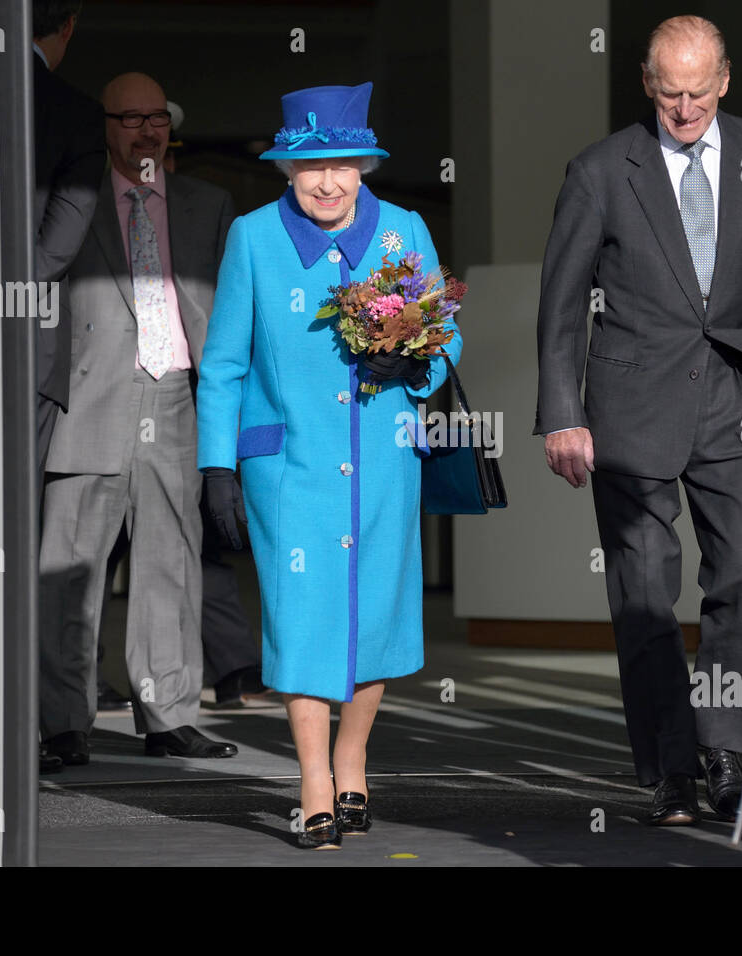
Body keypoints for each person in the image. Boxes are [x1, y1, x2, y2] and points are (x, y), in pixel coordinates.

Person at [535, 16, 742, 826]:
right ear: (648, 86)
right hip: (630, 410)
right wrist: (561, 414)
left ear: (724, 80)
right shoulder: (599, 171)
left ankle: (725, 749)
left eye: (698, 92)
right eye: (668, 93)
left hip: (740, 407)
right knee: (645, 596)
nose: (684, 110)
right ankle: (669, 769)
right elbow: (559, 307)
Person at [198, 82, 463, 849]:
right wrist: (218, 466)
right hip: (291, 469)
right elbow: (221, 367)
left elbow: (444, 346)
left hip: (383, 461)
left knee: (373, 617)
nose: (326, 181)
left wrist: (409, 363)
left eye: (343, 164)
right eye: (308, 166)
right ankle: (313, 777)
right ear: (285, 169)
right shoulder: (253, 237)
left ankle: (353, 759)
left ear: (366, 165)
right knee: (302, 618)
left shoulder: (404, 232)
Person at [39, 71, 239, 764]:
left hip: (176, 400)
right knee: (68, 572)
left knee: (171, 567)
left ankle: (170, 718)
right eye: (130, 118)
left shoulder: (206, 204)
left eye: (156, 117)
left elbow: (227, 317)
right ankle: (63, 724)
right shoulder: (72, 202)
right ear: (105, 127)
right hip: (88, 400)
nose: (146, 129)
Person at [31, 0, 104, 774]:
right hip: (27, 354)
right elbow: (61, 241)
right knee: (18, 539)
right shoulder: (73, 113)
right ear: (68, 27)